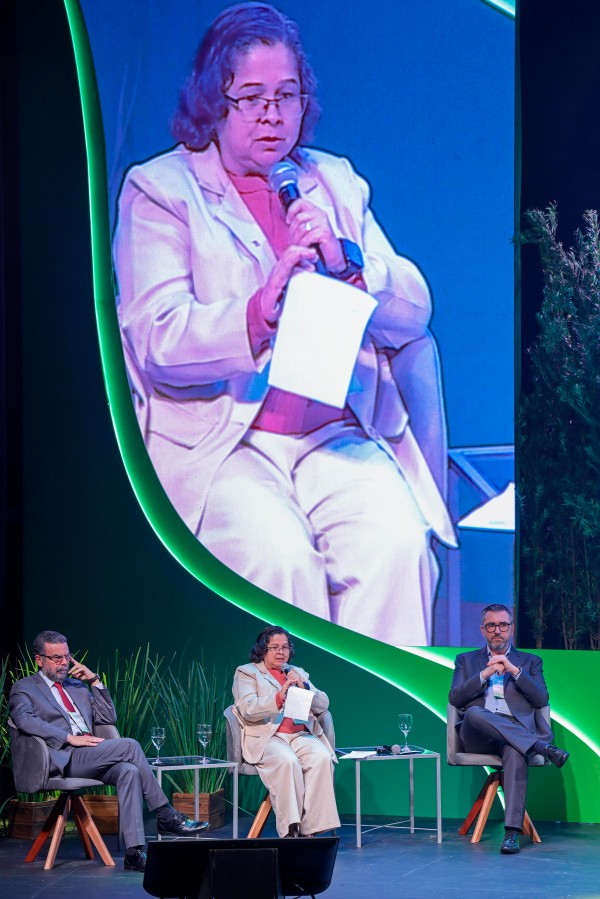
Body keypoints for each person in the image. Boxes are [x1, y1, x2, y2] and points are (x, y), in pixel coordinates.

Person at [113, 2, 457, 648]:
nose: (273, 115)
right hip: (228, 444)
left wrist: (348, 261)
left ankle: (377, 739)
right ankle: (291, 741)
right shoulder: (161, 191)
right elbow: (158, 336)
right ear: (213, 101)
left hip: (336, 433)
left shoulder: (334, 181)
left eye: (286, 95)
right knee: (280, 559)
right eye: (251, 98)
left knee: (395, 547)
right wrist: (256, 311)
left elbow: (414, 309)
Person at [9, 630, 208, 872]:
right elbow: (24, 720)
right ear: (39, 659)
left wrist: (94, 681)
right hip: (64, 755)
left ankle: (134, 852)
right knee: (131, 745)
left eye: (67, 657)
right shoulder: (25, 687)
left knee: (128, 771)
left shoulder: (76, 685)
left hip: (91, 751)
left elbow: (107, 718)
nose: (64, 663)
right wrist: (68, 737)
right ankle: (166, 815)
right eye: (56, 658)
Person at [448, 604, 569, 855]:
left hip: (513, 734)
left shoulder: (531, 661)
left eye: (503, 625)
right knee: (473, 712)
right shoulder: (466, 660)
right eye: (491, 625)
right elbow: (456, 697)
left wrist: (513, 670)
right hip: (477, 733)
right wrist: (487, 672)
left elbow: (540, 700)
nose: (497, 631)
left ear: (511, 628)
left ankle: (512, 833)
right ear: (483, 630)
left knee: (515, 750)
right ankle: (541, 746)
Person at [232, 625, 339, 837]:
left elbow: (323, 704)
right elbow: (247, 707)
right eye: (274, 647)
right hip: (268, 737)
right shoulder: (247, 672)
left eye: (285, 647)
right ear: (263, 649)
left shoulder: (297, 672)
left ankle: (311, 830)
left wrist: (305, 688)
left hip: (300, 735)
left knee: (321, 757)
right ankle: (290, 829)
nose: (281, 652)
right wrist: (278, 698)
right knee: (288, 761)